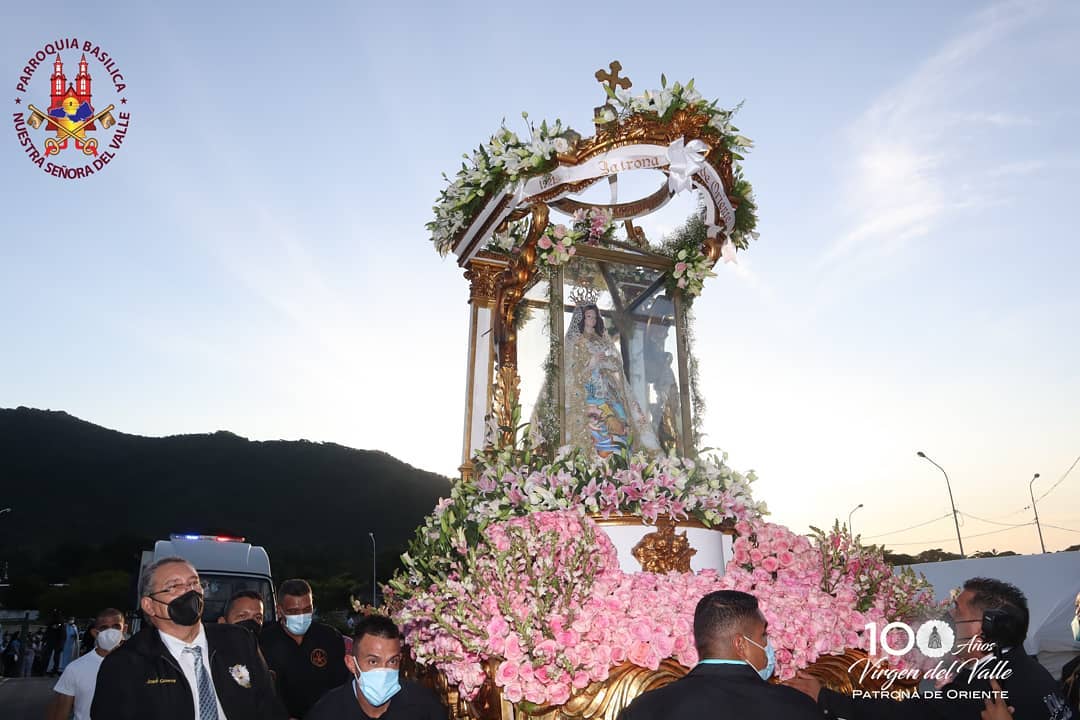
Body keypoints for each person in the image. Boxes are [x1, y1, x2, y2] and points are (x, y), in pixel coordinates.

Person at [787, 576, 1073, 720]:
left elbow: (908, 713)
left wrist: (824, 697)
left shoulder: (987, 686)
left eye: (956, 613)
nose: (948, 620)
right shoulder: (1026, 667)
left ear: (986, 628)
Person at [91, 556, 286, 720]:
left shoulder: (239, 641)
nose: (189, 591)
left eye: (194, 583)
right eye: (174, 586)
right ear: (149, 605)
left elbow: (269, 707)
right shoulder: (125, 664)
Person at [617, 590, 820, 719]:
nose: (768, 644)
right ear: (740, 644)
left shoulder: (645, 709)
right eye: (763, 635)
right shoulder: (796, 706)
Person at [564, 300, 659, 457]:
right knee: (595, 425)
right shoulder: (575, 342)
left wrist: (606, 361)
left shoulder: (601, 340)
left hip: (607, 390)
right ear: (581, 318)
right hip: (587, 393)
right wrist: (590, 364)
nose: (592, 320)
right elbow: (571, 370)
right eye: (588, 316)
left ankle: (620, 460)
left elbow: (615, 360)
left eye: (594, 317)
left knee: (620, 418)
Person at [306, 614, 445, 720]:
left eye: (392, 661)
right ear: (351, 664)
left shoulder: (425, 706)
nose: (383, 672)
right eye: (373, 662)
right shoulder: (325, 713)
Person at [260, 578, 351, 718]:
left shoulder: (329, 637)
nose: (301, 616)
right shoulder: (264, 642)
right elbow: (263, 692)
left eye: (307, 609)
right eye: (294, 611)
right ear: (280, 610)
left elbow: (341, 685)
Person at [46, 608, 127, 720]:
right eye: (104, 628)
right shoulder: (75, 668)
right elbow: (59, 713)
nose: (111, 631)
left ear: (124, 629)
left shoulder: (139, 665)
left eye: (116, 627)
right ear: (95, 633)